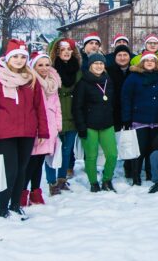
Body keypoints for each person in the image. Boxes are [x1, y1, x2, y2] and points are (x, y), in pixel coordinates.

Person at [0, 39, 49, 219]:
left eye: (22, 57)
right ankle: (2, 208)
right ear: (8, 58)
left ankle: (15, 205)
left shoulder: (30, 78)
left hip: (27, 132)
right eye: (15, 57)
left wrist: (42, 131)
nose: (19, 60)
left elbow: (39, 106)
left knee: (22, 170)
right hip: (5, 134)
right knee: (9, 170)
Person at [121, 49, 158, 185]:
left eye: (152, 60)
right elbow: (126, 98)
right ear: (142, 62)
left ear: (156, 63)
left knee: (153, 148)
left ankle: (150, 174)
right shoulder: (133, 77)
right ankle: (136, 176)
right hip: (139, 119)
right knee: (139, 150)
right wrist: (126, 118)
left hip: (157, 119)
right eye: (147, 60)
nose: (149, 63)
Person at [73, 53, 119, 193]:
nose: (99, 66)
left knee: (112, 154)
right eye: (95, 63)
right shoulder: (83, 83)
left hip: (107, 124)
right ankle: (93, 183)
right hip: (89, 126)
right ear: (90, 66)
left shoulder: (108, 81)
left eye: (101, 63)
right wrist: (81, 126)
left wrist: (115, 121)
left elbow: (113, 103)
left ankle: (107, 180)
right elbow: (77, 107)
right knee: (91, 156)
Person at [23, 51, 63, 207]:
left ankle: (35, 191)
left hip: (50, 127)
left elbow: (57, 106)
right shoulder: (30, 82)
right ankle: (22, 192)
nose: (44, 68)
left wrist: (58, 125)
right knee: (30, 162)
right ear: (33, 66)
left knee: (39, 163)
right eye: (40, 65)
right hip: (36, 128)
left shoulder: (52, 82)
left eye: (47, 65)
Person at [49, 37, 81, 191]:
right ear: (56, 52)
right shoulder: (50, 69)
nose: (66, 52)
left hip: (73, 112)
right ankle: (51, 181)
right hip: (56, 112)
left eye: (69, 49)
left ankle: (62, 178)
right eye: (63, 50)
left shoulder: (77, 68)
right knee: (52, 149)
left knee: (67, 149)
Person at [107, 44, 133, 177]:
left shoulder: (134, 71)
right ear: (115, 57)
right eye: (119, 55)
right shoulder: (108, 71)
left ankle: (129, 166)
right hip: (113, 111)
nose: (122, 58)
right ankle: (109, 167)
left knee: (129, 140)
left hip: (131, 111)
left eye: (125, 55)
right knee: (114, 140)